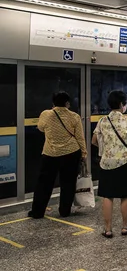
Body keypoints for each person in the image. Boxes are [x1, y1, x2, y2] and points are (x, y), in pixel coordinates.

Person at [29, 91, 87, 219]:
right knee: (68, 183)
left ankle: (37, 212)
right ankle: (64, 211)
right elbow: (80, 137)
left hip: (50, 153)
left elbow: (40, 128)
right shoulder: (74, 116)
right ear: (67, 103)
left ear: (53, 103)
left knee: (44, 183)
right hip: (71, 153)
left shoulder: (46, 114)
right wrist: (84, 153)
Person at [92, 90, 127, 238]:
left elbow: (94, 141)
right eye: (125, 103)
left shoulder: (102, 121)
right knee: (125, 196)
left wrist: (107, 148)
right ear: (121, 104)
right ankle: (124, 227)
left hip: (107, 163)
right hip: (125, 162)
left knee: (107, 196)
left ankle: (108, 229)